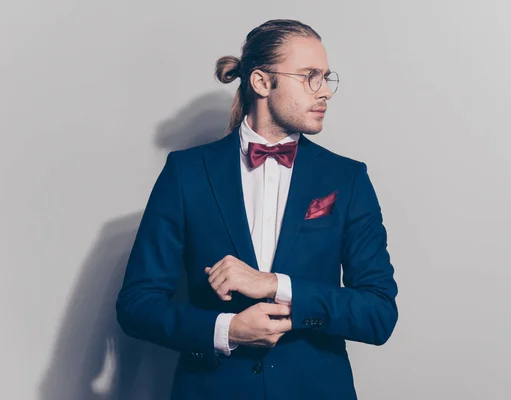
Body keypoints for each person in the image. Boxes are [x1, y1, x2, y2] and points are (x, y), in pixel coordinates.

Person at [116, 18, 398, 400]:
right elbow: (137, 305)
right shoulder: (186, 173)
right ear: (262, 82)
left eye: (326, 77)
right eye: (309, 76)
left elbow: (378, 313)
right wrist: (226, 330)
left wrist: (276, 285)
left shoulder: (346, 178)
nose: (325, 92)